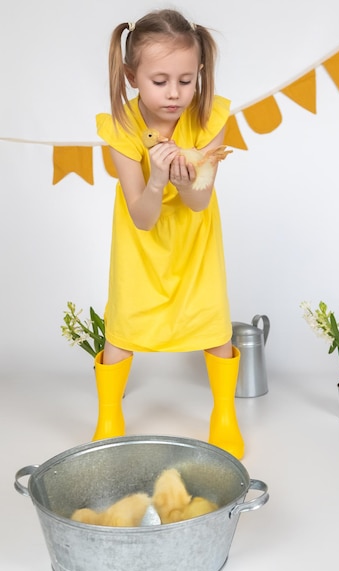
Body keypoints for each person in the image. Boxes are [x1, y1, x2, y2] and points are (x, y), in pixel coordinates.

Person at [94, 9, 244, 459]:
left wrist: (185, 177)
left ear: (200, 73)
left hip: (194, 242)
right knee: (123, 326)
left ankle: (224, 414)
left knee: (212, 322)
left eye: (186, 79)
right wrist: (158, 179)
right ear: (132, 76)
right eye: (160, 81)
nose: (175, 93)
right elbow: (141, 216)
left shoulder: (208, 118)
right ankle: (108, 415)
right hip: (142, 244)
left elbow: (199, 202)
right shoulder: (122, 128)